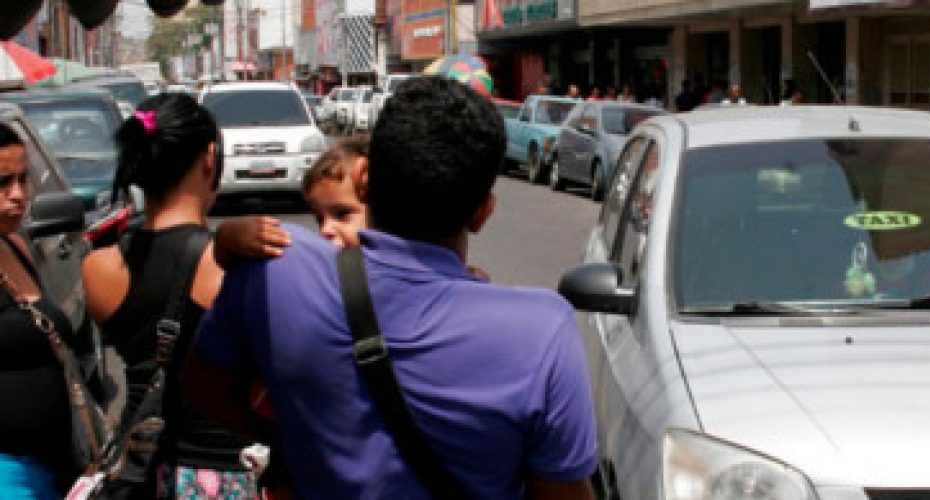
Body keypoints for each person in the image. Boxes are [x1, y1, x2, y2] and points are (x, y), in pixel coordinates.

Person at [184, 76, 597, 499]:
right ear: (482, 213)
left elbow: (201, 387)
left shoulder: (271, 268)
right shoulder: (543, 330)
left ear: (362, 178)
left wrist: (302, 434)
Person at [80, 93, 261, 499]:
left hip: (140, 471)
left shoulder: (99, 267)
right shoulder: (228, 266)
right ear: (209, 157)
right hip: (220, 472)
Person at [0, 123, 96, 499]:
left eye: (24, 180)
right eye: (3, 182)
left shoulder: (16, 246)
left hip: (52, 464)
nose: (18, 195)